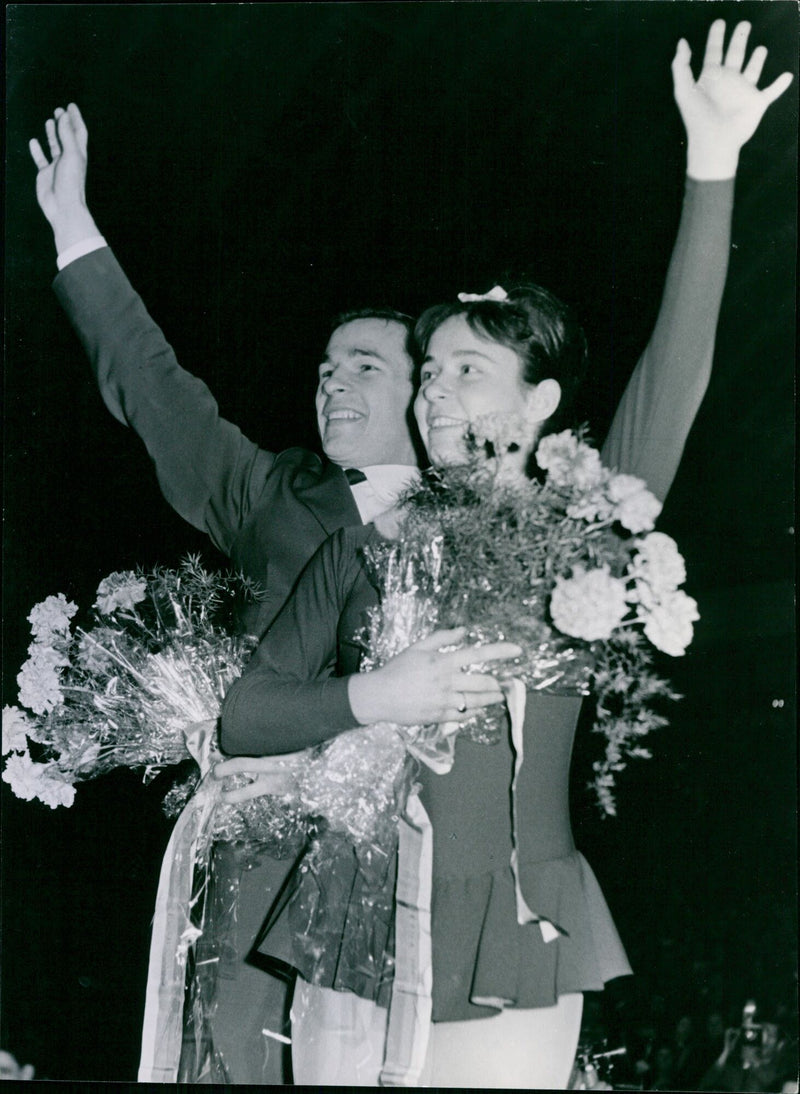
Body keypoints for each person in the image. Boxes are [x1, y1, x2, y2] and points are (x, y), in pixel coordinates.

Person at [27, 15, 785, 1082]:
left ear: (540, 407)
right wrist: (373, 695)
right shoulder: (359, 548)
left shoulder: (584, 531)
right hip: (351, 919)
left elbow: (675, 370)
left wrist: (712, 161)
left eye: (460, 370)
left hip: (512, 924)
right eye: (427, 372)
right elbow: (245, 710)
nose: (432, 390)